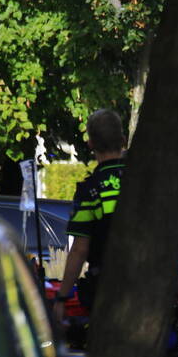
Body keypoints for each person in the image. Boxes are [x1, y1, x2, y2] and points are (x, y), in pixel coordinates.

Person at [52, 109, 126, 320]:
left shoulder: (90, 190)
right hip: (148, 285)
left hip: (108, 289)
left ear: (90, 144)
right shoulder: (141, 182)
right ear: (122, 140)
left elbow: (79, 249)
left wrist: (62, 298)